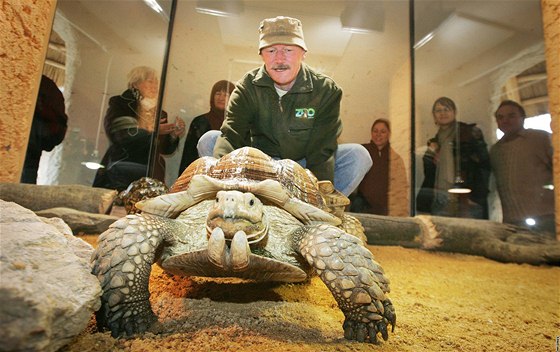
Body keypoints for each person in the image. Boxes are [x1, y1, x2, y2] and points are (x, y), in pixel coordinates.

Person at [196, 16, 371, 196]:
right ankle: (233, 198)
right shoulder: (247, 87)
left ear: (303, 53)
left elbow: (322, 151)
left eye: (288, 49)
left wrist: (319, 196)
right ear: (261, 54)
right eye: (271, 50)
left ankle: (318, 207)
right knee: (210, 140)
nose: (279, 59)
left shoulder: (326, 91)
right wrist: (217, 185)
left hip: (303, 170)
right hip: (257, 168)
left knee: (358, 155)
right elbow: (231, 136)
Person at [93, 66, 185, 191]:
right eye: (150, 81)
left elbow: (164, 150)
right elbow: (120, 135)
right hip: (121, 170)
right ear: (135, 84)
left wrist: (173, 135)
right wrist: (151, 130)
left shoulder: (160, 113)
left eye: (156, 82)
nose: (155, 86)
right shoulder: (120, 103)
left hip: (151, 174)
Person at [416, 97, 490, 219]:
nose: (443, 113)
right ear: (434, 115)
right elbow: (429, 173)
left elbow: (483, 166)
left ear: (454, 112)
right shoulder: (434, 142)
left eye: (446, 109)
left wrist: (476, 196)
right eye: (438, 110)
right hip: (440, 197)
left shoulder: (469, 133)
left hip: (465, 199)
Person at [490, 100, 555, 235]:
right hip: (513, 223)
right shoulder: (495, 151)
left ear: (522, 118)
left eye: (511, 116)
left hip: (546, 217)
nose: (505, 120)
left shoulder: (540, 138)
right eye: (500, 117)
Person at [350, 118, 409, 216]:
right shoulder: (362, 152)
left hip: (386, 211)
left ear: (389, 134)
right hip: (362, 209)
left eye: (383, 132)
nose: (378, 135)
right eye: (375, 131)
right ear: (371, 133)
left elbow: (400, 190)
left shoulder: (395, 159)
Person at [177, 80, 234, 177]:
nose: (221, 98)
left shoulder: (236, 124)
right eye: (218, 94)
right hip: (200, 176)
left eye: (226, 95)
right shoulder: (200, 122)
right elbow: (188, 157)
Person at [21, 75, 68, 183]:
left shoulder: (41, 85)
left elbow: (54, 134)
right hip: (28, 162)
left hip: (26, 159)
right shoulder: (47, 86)